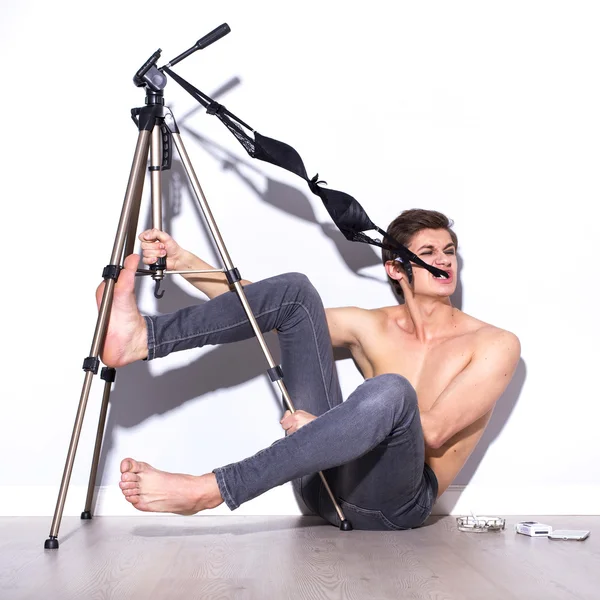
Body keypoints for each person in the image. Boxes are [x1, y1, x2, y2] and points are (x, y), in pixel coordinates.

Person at [99, 209, 520, 530]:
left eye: (449, 252)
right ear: (395, 268)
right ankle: (144, 338)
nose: (444, 261)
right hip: (323, 485)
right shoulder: (372, 326)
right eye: (427, 253)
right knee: (294, 292)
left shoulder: (493, 344)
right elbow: (256, 304)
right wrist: (183, 260)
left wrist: (322, 425)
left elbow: (434, 432)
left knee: (392, 390)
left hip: (395, 505)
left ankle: (209, 490)